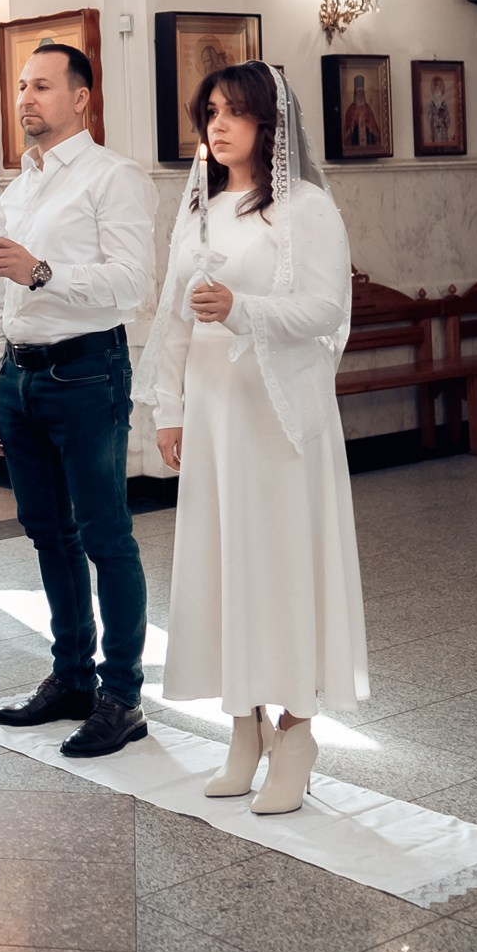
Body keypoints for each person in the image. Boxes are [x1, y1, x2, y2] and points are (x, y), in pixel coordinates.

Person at [136, 60, 369, 816]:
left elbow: (324, 310)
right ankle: (244, 725)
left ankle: (296, 728)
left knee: (277, 562)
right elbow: (172, 312)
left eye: (235, 111)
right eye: (210, 110)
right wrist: (167, 406)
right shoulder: (200, 209)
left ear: (270, 122)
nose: (219, 124)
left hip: (279, 420)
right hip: (212, 413)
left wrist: (241, 308)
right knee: (223, 562)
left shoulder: (305, 209)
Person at [0, 42, 158, 758]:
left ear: (81, 97)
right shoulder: (16, 186)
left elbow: (131, 284)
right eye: (22, 86)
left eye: (43, 86)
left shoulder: (113, 178)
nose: (26, 99)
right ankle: (72, 675)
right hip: (22, 379)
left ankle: (122, 696)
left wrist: (43, 271)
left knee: (103, 535)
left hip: (86, 373)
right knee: (46, 531)